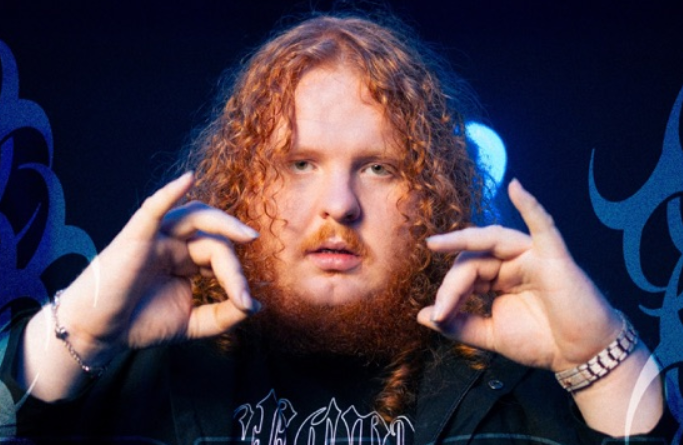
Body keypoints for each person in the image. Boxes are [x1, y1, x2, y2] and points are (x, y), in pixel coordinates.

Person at [0, 13, 672, 444]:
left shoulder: (520, 377)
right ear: (241, 184)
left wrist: (599, 359)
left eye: (379, 168)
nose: (339, 205)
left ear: (432, 196)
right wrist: (80, 330)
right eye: (299, 164)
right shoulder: (133, 360)